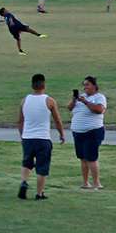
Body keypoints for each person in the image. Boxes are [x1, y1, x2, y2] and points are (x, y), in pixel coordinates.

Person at [16, 72, 66, 201]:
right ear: (44, 85)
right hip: (43, 138)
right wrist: (62, 134)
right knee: (42, 167)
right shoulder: (49, 101)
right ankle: (39, 193)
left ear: (32, 85)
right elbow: (57, 120)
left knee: (26, 162)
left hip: (28, 138)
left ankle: (24, 181)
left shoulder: (24, 100)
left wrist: (23, 135)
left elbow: (20, 121)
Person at [70, 76, 107, 190]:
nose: (85, 87)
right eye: (84, 85)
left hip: (92, 132)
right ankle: (85, 182)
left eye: (87, 84)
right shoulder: (81, 98)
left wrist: (85, 102)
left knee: (91, 158)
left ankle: (96, 183)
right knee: (82, 158)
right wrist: (74, 100)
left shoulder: (99, 97)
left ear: (94, 86)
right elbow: (69, 108)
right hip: (78, 132)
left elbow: (99, 110)